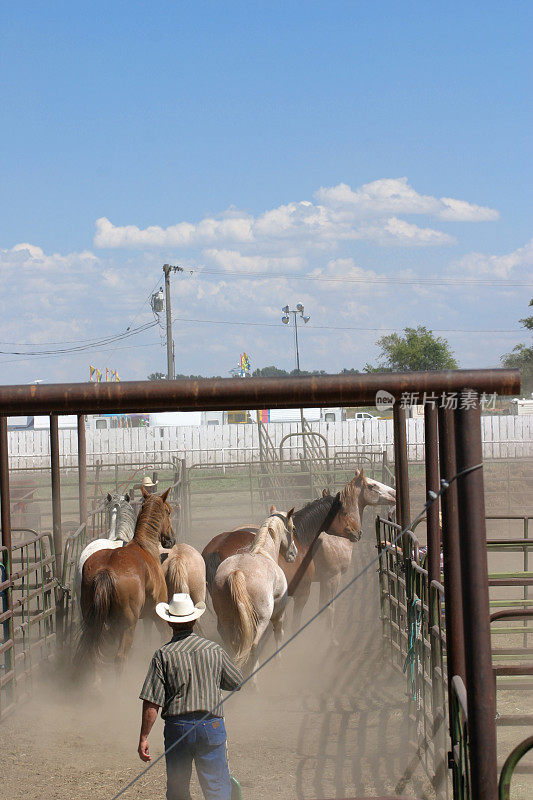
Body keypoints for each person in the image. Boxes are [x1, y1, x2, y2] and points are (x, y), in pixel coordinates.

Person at [138, 592, 243, 800]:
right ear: (195, 619)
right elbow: (237, 682)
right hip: (211, 726)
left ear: (170, 623)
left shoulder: (163, 655)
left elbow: (152, 702)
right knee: (216, 787)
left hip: (178, 729)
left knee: (178, 790)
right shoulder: (214, 649)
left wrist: (144, 737)